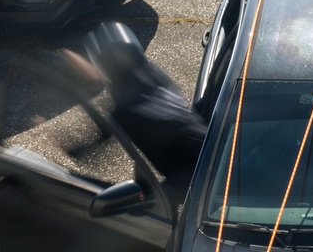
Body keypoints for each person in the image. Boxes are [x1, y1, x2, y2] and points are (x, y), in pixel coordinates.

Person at [58, 23, 206, 194]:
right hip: (211, 145)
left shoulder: (124, 112)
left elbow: (89, 150)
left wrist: (62, 143)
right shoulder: (156, 78)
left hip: (191, 179)